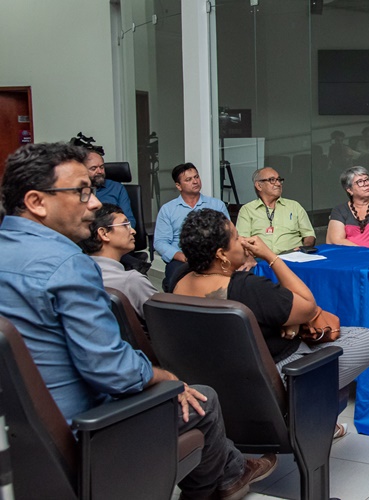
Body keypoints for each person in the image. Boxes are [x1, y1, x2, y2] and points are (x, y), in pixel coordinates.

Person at [0, 142, 276, 500]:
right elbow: (111, 370)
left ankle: (232, 469)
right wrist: (168, 378)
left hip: (20, 436)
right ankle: (220, 484)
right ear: (37, 202)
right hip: (87, 429)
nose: (95, 203)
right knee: (201, 398)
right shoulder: (67, 265)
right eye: (82, 192)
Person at [173, 208, 369, 438]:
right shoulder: (246, 288)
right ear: (222, 255)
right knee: (367, 339)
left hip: (220, 381)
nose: (243, 240)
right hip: (275, 380)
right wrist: (270, 256)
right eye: (236, 237)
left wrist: (287, 323)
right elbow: (308, 306)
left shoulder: (179, 281)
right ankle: (307, 414)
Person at [155, 162, 231, 291]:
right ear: (178, 186)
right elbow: (160, 242)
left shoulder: (217, 205)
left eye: (196, 177)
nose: (195, 181)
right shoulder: (168, 209)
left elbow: (229, 234)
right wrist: (181, 256)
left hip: (214, 257)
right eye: (188, 179)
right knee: (176, 282)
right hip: (182, 259)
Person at [78, 203, 157, 318]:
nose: (133, 231)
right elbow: (166, 322)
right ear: (104, 234)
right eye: (125, 225)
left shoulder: (76, 275)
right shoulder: (131, 281)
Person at [236, 167, 316, 256]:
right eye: (272, 180)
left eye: (279, 180)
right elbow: (242, 241)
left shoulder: (294, 206)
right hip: (261, 261)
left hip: (293, 257)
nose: (278, 183)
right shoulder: (247, 210)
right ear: (259, 185)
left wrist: (304, 248)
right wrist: (249, 258)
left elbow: (309, 235)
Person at [70, 133, 136, 226]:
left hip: (111, 235)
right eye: (93, 168)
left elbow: (130, 222)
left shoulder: (116, 188)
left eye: (101, 167)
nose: (99, 171)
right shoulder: (74, 189)